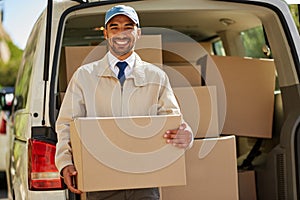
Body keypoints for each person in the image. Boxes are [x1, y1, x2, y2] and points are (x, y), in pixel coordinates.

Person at [55, 5, 193, 200]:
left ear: (138, 33)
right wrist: (65, 163)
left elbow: (174, 122)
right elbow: (66, 124)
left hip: (145, 182)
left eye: (128, 27)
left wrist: (187, 135)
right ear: (105, 33)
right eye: (114, 27)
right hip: (100, 183)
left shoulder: (156, 77)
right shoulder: (84, 76)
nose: (122, 33)